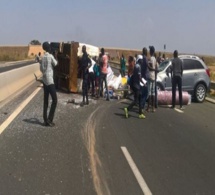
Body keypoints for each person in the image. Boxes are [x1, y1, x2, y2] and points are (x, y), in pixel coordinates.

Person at [40, 42, 58, 127]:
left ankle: (45, 120)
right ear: (48, 48)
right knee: (54, 100)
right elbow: (56, 64)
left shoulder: (43, 57)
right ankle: (50, 119)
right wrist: (56, 55)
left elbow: (41, 69)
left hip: (44, 81)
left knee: (46, 101)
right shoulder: (50, 57)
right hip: (50, 81)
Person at [146, 46, 157, 112]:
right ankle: (153, 107)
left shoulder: (150, 59)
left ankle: (148, 107)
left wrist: (148, 65)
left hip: (150, 76)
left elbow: (150, 68)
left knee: (149, 92)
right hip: (153, 77)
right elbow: (156, 67)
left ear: (151, 51)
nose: (149, 51)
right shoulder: (155, 59)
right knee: (153, 93)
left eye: (149, 50)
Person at [140, 47, 149, 112]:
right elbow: (148, 66)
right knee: (145, 93)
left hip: (141, 77)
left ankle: (141, 105)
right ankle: (142, 106)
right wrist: (154, 69)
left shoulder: (141, 58)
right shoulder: (145, 58)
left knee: (142, 92)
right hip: (145, 77)